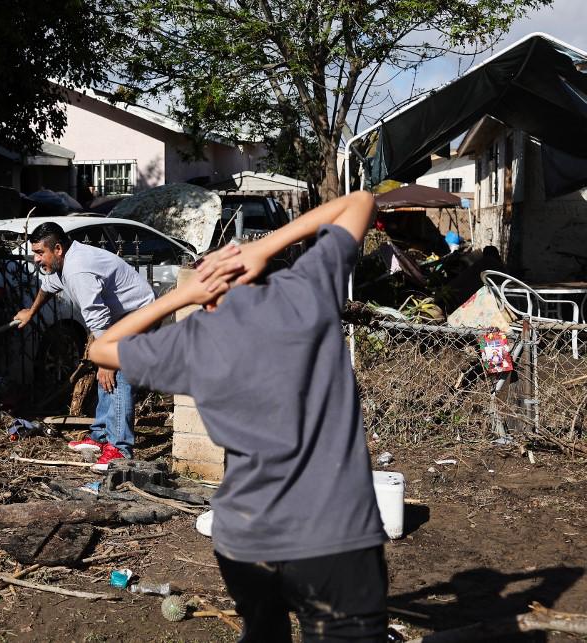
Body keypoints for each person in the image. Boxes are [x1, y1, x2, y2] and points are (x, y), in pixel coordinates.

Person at [88, 191, 388, 642]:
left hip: (247, 541)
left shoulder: (191, 342)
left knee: (263, 633)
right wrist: (264, 246)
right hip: (336, 537)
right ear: (254, 272)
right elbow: (361, 201)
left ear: (208, 297)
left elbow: (101, 347)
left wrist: (178, 295)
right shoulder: (305, 292)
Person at [14, 222, 155, 471]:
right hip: (119, 318)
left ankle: (120, 450)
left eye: (39, 253)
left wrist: (108, 360)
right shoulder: (63, 262)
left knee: (118, 375)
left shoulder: (78, 269)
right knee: (104, 374)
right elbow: (48, 287)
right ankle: (101, 436)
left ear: (57, 248)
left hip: (139, 314)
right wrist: (30, 311)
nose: (36, 259)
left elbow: (97, 317)